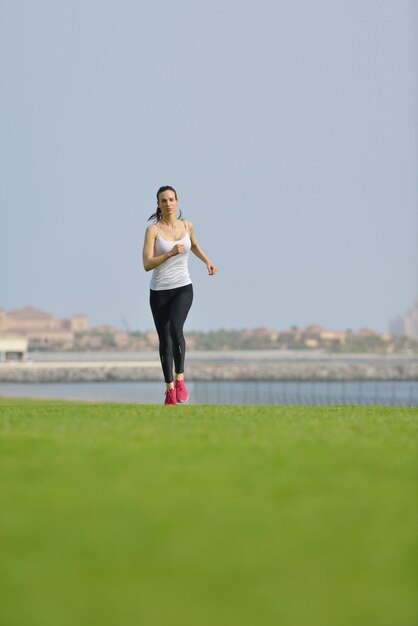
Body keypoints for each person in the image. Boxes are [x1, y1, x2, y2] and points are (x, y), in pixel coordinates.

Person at [142, 185, 217, 405]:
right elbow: (146, 264)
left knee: (176, 328)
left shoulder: (187, 225)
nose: (168, 203)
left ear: (177, 201)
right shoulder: (153, 231)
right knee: (164, 340)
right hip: (159, 292)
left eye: (171, 199)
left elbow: (193, 244)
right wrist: (169, 253)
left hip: (183, 286)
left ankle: (180, 378)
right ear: (158, 204)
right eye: (163, 200)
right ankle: (169, 391)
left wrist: (207, 261)